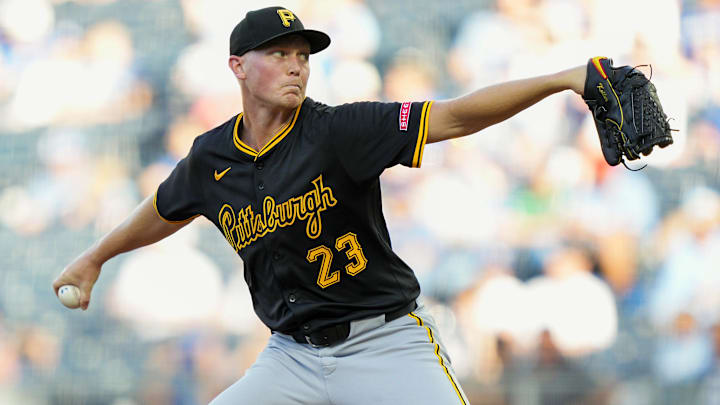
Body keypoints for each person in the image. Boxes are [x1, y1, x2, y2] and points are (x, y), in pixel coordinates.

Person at [53, 6, 587, 404]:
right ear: (238, 66)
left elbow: (455, 116)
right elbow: (165, 208)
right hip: (292, 357)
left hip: (385, 343)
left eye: (303, 56)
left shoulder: (339, 131)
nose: (296, 66)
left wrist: (561, 79)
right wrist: (95, 256)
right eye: (279, 54)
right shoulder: (212, 156)